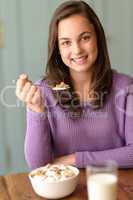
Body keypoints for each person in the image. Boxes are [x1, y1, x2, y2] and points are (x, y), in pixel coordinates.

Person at [16, 0, 133, 170]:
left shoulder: (125, 88)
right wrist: (35, 109)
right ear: (58, 48)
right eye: (66, 42)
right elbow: (38, 166)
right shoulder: (44, 92)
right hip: (65, 193)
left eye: (85, 38)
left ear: (98, 38)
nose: (77, 50)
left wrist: (75, 159)